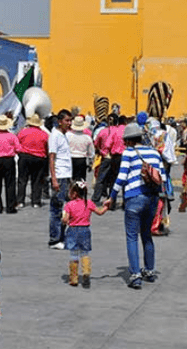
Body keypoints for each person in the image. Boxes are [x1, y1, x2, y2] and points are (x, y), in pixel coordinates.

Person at [104, 123, 164, 289]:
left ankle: (135, 275)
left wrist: (112, 197)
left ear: (128, 141)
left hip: (133, 198)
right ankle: (150, 271)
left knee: (131, 236)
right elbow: (162, 177)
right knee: (146, 235)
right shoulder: (154, 152)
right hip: (152, 199)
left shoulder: (129, 152)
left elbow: (122, 176)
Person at [62, 180, 108, 288]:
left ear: (74, 193)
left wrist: (63, 219)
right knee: (85, 253)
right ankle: (86, 274)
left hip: (73, 230)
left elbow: (65, 220)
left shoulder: (69, 205)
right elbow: (100, 212)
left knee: (74, 254)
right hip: (85, 230)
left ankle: (74, 278)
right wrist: (106, 206)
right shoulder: (89, 203)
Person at [48, 109, 73, 249]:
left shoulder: (64, 135)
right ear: (60, 121)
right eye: (67, 120)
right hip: (60, 174)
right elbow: (52, 158)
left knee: (67, 207)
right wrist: (54, 178)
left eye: (70, 120)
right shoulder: (55, 135)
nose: (69, 123)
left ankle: (63, 236)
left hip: (66, 175)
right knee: (56, 208)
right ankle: (54, 239)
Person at [16, 113, 48, 208]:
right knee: (37, 180)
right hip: (39, 158)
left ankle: (20, 201)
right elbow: (46, 147)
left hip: (25, 156)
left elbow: (18, 143)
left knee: (22, 179)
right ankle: (36, 201)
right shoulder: (44, 134)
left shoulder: (23, 132)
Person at [67, 115, 94, 183]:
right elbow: (91, 152)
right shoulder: (87, 138)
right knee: (81, 180)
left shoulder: (68, 136)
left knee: (70, 179)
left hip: (70, 158)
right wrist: (90, 163)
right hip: (82, 160)